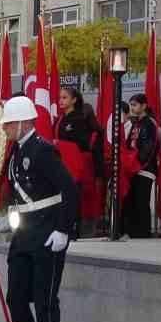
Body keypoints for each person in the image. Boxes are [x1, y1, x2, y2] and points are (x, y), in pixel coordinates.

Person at [0, 96, 79, 322]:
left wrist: (63, 230)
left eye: (7, 124)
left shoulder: (43, 150)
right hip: (24, 232)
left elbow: (69, 189)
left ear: (23, 122)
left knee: (44, 301)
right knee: (16, 297)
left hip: (46, 233)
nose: (4, 129)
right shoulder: (15, 153)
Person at [56, 87, 102, 238]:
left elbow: (83, 144)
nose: (61, 100)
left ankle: (75, 229)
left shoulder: (80, 119)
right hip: (62, 164)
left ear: (74, 100)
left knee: (74, 196)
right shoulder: (60, 119)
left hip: (76, 165)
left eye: (65, 98)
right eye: (60, 97)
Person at [120, 94, 159, 239]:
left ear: (144, 105)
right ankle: (132, 232)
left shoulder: (150, 124)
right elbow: (129, 145)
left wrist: (139, 164)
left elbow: (150, 147)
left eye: (135, 104)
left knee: (142, 202)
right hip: (132, 169)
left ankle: (143, 234)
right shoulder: (136, 123)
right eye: (131, 105)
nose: (132, 108)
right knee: (132, 201)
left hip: (145, 169)